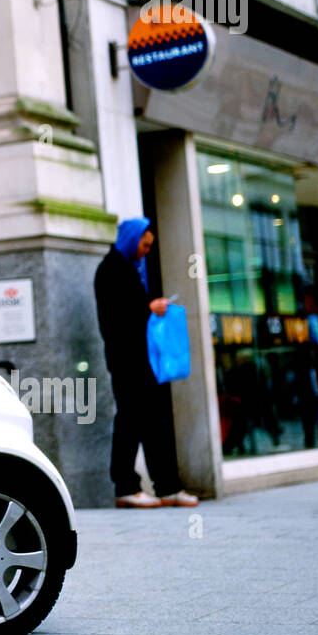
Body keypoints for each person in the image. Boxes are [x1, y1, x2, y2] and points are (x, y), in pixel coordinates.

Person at [94, 217, 199, 508]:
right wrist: (149, 308)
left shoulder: (127, 268)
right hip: (127, 362)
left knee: (151, 423)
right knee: (131, 421)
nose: (147, 250)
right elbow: (118, 320)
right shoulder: (112, 270)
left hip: (139, 361)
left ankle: (165, 486)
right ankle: (128, 487)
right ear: (131, 239)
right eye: (144, 244)